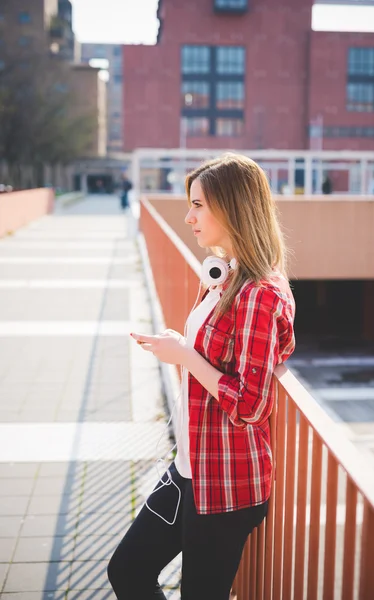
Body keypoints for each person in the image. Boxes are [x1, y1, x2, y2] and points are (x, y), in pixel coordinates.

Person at [107, 153, 296, 600]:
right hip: (189, 469)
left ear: (231, 208)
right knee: (127, 571)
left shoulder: (261, 294)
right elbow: (211, 353)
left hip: (226, 485)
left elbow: (251, 404)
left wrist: (186, 357)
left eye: (198, 205)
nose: (188, 216)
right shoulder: (224, 273)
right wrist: (180, 346)